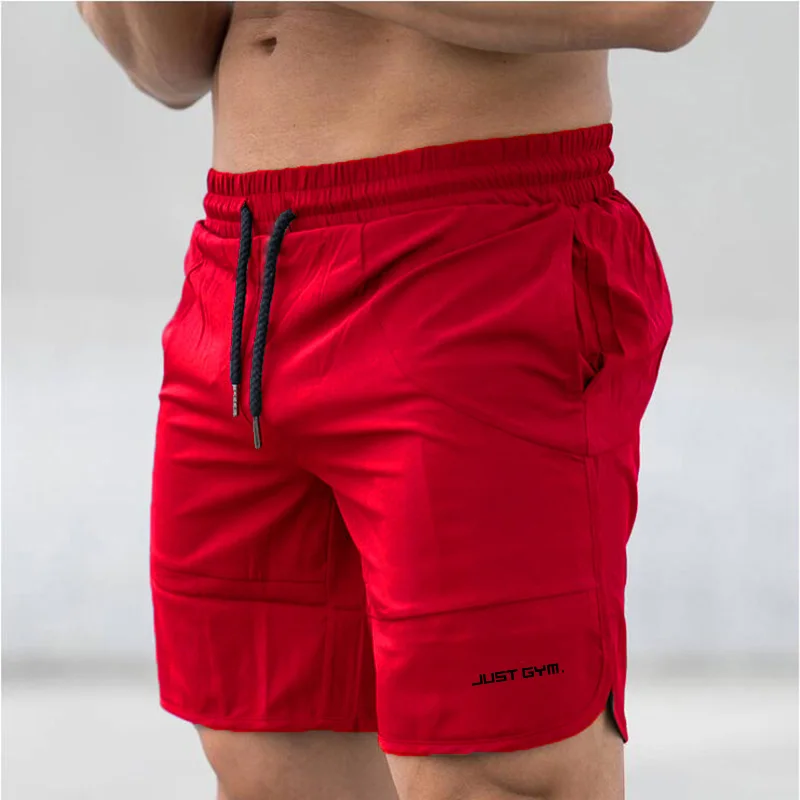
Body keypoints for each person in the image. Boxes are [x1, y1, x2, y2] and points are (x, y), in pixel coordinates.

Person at [77, 3, 713, 799]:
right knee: (268, 762)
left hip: (475, 252)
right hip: (242, 277)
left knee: (497, 772)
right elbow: (167, 68)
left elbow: (659, 8)